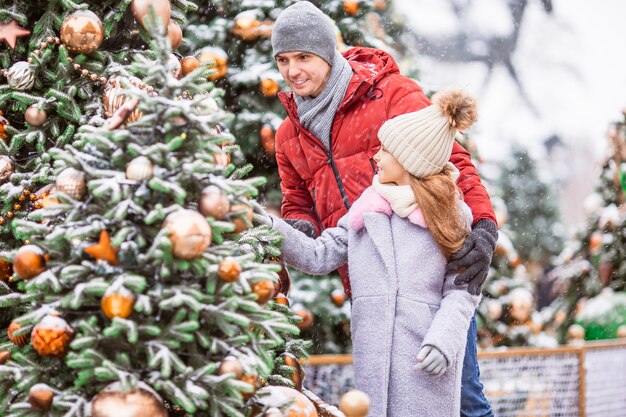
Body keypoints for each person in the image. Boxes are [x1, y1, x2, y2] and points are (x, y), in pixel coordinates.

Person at [271, 2, 497, 416]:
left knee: (461, 397)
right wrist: (298, 229)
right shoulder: (288, 133)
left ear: (327, 52)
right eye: (283, 60)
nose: (292, 71)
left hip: (426, 279)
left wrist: (482, 225)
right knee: (383, 404)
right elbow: (297, 199)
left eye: (303, 57)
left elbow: (452, 161)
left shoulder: (389, 94)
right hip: (369, 282)